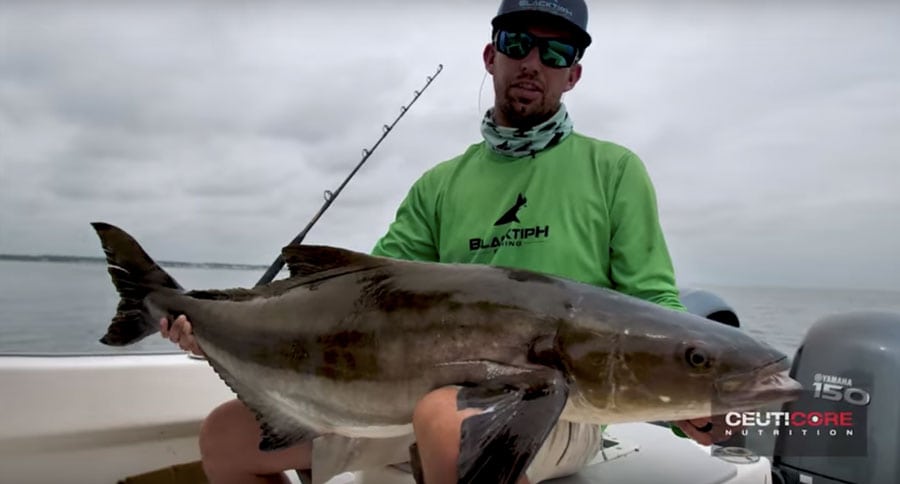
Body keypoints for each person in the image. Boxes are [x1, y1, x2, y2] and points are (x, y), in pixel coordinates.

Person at [162, 0, 728, 482]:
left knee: (443, 419)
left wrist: (692, 405)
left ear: (573, 74)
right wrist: (213, 326)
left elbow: (654, 302)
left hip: (557, 408)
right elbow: (368, 294)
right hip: (424, 401)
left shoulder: (613, 170)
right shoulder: (440, 184)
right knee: (225, 438)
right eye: (518, 43)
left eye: (556, 54)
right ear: (491, 55)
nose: (534, 63)